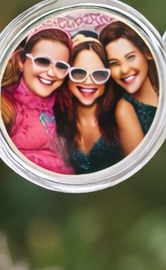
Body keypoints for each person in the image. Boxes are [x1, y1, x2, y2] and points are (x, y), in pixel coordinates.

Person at [59, 33, 144, 176]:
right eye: (79, 72)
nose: (88, 81)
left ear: (107, 79)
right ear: (67, 75)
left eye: (99, 74)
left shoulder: (122, 111)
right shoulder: (56, 118)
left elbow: (142, 172)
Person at [0, 28, 74, 175]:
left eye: (61, 66)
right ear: (21, 61)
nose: (52, 73)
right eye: (42, 61)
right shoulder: (3, 106)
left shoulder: (65, 102)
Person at [100, 22, 159, 135]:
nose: (124, 70)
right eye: (114, 63)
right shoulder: (124, 109)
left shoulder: (163, 92)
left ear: (147, 53)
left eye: (130, 57)